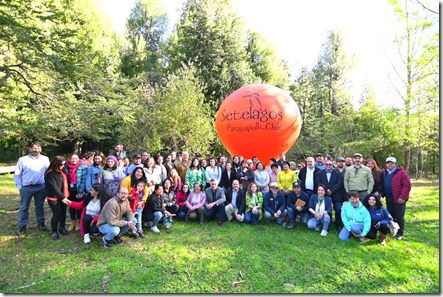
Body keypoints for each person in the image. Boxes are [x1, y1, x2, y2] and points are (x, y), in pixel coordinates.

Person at [14, 141, 50, 235]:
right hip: (26, 187)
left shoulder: (45, 159)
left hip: (40, 186)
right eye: (34, 148)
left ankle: (41, 224)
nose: (36, 150)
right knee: (24, 208)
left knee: (39, 206)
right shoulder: (22, 159)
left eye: (38, 148)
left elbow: (48, 173)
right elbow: (17, 174)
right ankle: (22, 226)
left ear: (41, 149)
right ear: (30, 149)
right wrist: (20, 187)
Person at [381, 157, 411, 240]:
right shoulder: (384, 172)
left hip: (399, 198)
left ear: (395, 164)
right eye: (388, 163)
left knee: (399, 216)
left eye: (392, 163)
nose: (390, 164)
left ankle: (400, 232)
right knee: (391, 214)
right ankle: (393, 229)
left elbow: (407, 186)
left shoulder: (401, 173)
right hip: (389, 197)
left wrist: (402, 197)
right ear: (386, 164)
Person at [44, 156, 69, 240]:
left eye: (64, 164)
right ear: (56, 164)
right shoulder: (50, 174)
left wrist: (65, 196)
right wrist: (62, 197)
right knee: (57, 214)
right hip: (54, 198)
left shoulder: (62, 172)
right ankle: (54, 231)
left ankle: (62, 228)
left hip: (63, 196)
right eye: (62, 164)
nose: (63, 166)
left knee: (63, 213)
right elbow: (54, 187)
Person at [316, 160, 344, 231]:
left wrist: (331, 190)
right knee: (327, 209)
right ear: (324, 165)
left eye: (330, 164)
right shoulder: (319, 173)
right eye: (327, 164)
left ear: (333, 165)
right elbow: (318, 182)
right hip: (324, 194)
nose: (328, 165)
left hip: (336, 194)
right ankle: (329, 223)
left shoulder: (338, 173)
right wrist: (325, 190)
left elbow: (339, 184)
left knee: (338, 209)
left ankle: (338, 224)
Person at [64, 153, 88, 232]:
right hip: (69, 190)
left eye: (76, 158)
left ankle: (78, 222)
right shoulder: (65, 167)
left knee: (79, 206)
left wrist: (81, 191)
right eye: (72, 158)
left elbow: (84, 180)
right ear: (69, 159)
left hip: (79, 190)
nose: (74, 160)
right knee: (71, 206)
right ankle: (73, 221)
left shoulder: (83, 167)